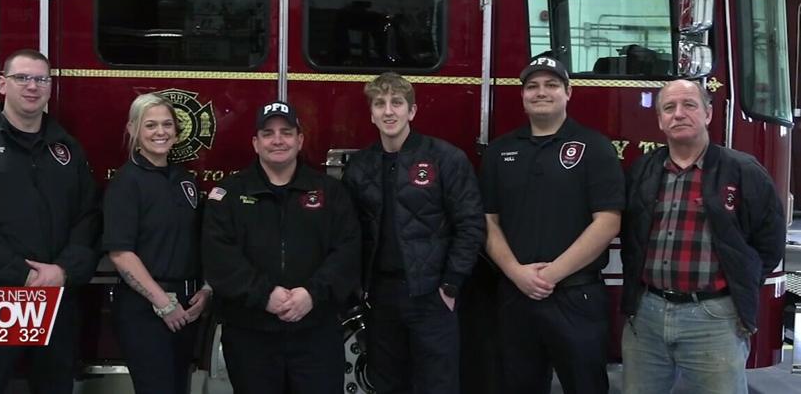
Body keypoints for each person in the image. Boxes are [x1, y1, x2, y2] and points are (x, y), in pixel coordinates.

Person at [0, 48, 100, 394]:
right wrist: (23, 274)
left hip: (55, 293)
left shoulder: (68, 149)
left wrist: (64, 271)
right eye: (22, 78)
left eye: (41, 79)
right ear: (2, 85)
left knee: (53, 386)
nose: (32, 86)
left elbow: (87, 217)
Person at [620, 79, 786, 394]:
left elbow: (770, 244)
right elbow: (630, 235)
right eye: (669, 108)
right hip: (647, 316)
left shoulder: (743, 170)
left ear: (708, 114)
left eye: (689, 105)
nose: (678, 114)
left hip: (714, 319)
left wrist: (737, 287)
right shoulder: (643, 169)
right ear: (659, 120)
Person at [480, 53, 624, 394]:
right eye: (532, 86)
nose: (541, 92)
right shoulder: (500, 152)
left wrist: (551, 274)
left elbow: (608, 222)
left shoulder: (595, 147)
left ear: (568, 92)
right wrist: (517, 273)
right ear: (522, 95)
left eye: (551, 85)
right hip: (516, 295)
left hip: (577, 295)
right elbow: (487, 221)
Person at [202, 100, 360, 394]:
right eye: (268, 133)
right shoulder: (228, 196)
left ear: (300, 140)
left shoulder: (330, 192)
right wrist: (264, 295)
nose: (278, 140)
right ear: (255, 143)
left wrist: (312, 294)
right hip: (250, 334)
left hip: (316, 333)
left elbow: (348, 251)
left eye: (286, 132)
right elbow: (219, 259)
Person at [342, 72, 486, 394]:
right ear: (372, 114)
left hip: (432, 297)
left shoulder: (445, 159)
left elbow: (471, 224)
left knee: (437, 386)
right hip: (381, 298)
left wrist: (450, 285)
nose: (388, 111)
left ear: (413, 111)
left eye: (397, 103)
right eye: (380, 104)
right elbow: (349, 234)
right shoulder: (360, 167)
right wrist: (358, 288)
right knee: (388, 385)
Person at [102, 93, 211, 394]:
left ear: (177, 133)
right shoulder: (126, 183)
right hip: (145, 311)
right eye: (150, 125)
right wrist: (164, 303)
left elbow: (198, 241)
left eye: (166, 125)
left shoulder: (185, 179)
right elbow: (121, 253)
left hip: (187, 309)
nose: (160, 132)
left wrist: (205, 290)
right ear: (133, 130)